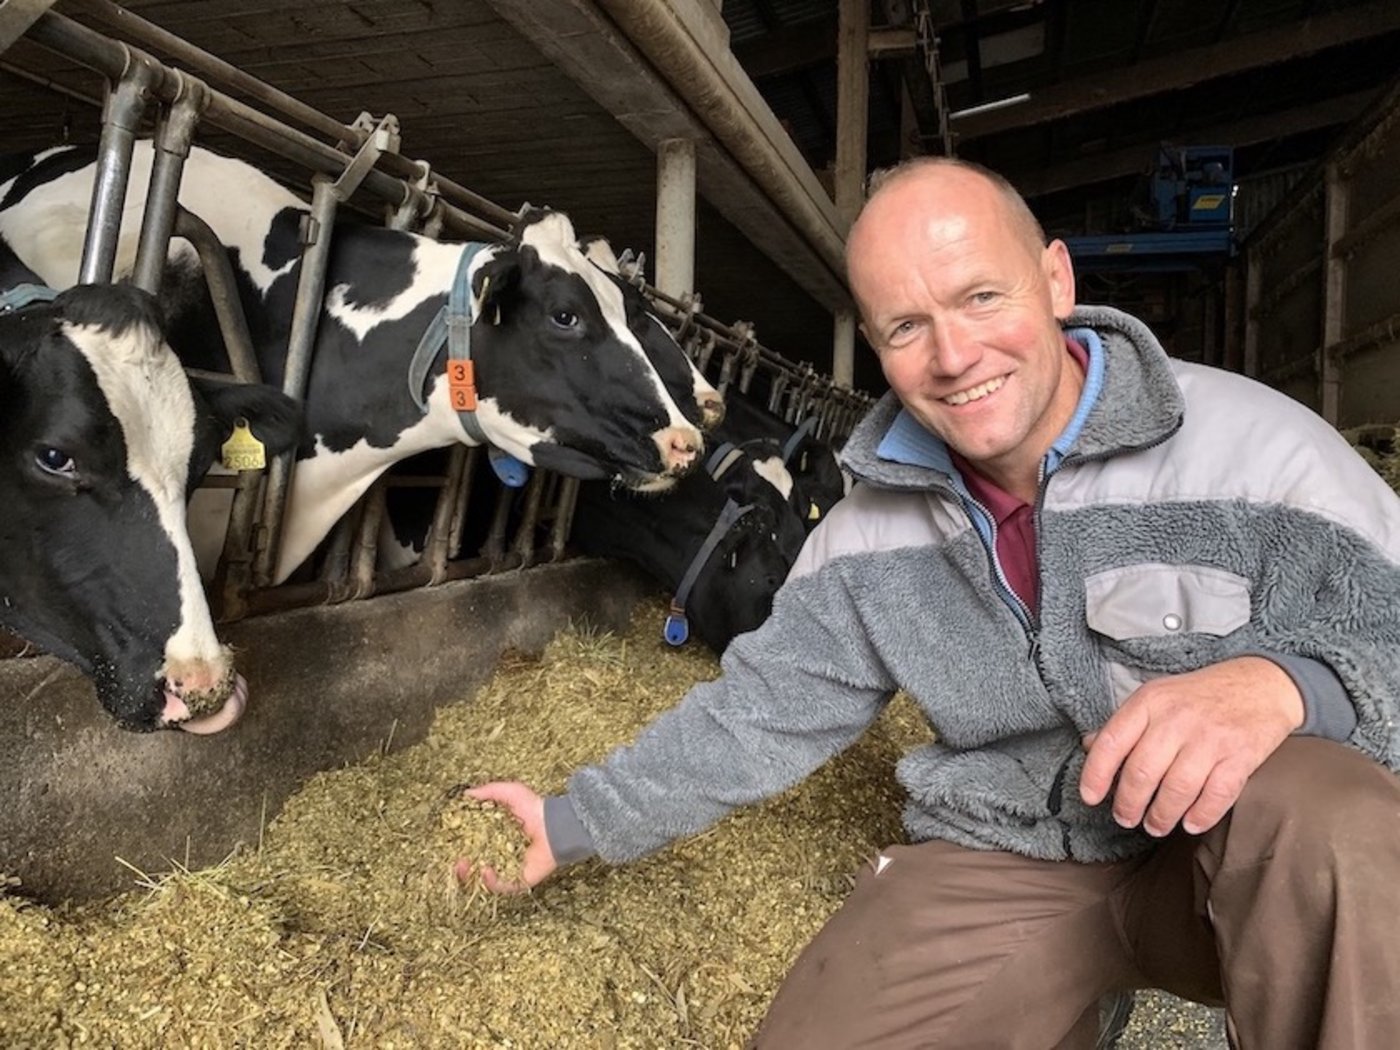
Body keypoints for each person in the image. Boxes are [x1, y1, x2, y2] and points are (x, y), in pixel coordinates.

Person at [460, 157, 1400, 1048]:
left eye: (981, 297)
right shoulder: (867, 538)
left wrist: (1292, 685)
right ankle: (1060, 1004)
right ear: (876, 345)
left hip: (1235, 858)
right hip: (1010, 853)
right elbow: (754, 715)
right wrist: (573, 821)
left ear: (1057, 281)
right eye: (906, 327)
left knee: (1333, 821)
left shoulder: (1257, 452)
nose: (954, 355)